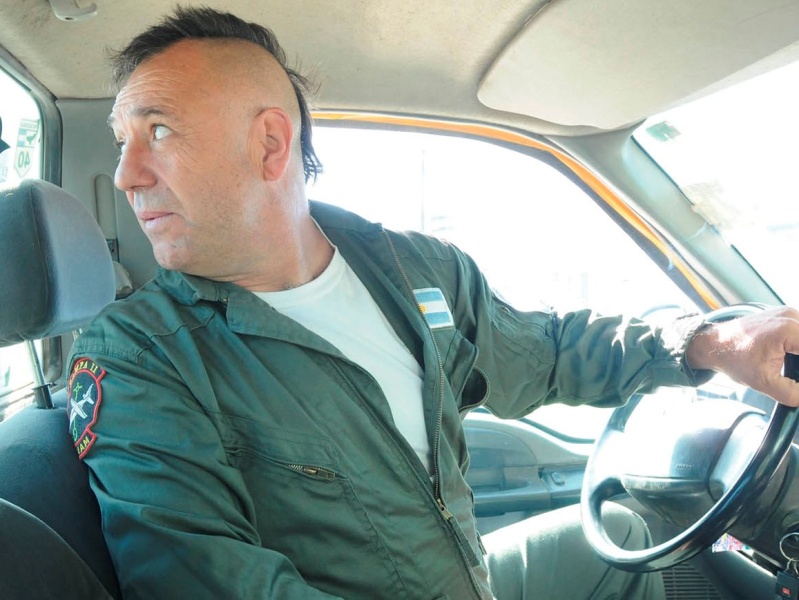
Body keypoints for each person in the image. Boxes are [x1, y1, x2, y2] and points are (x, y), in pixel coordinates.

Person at [66, 7, 799, 600]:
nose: (127, 174)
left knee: (624, 538)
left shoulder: (414, 269)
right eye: (122, 140)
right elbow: (209, 583)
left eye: (158, 131)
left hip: (468, 578)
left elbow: (542, 352)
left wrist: (712, 344)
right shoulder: (138, 358)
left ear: (269, 145)